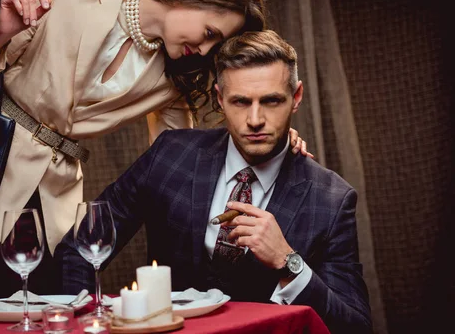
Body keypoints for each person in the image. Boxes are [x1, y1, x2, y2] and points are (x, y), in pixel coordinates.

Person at [0, 0, 310, 317]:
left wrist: (269, 142)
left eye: (216, 42)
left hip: (54, 199)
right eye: (209, 33)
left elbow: (181, 156)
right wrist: (2, 32)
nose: (205, 50)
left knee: (48, 320)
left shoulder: (174, 80)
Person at [55, 30, 372, 333]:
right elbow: (79, 248)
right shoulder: (171, 154)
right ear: (220, 98)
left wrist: (288, 261)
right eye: (240, 102)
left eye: (272, 101)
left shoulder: (332, 199)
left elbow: (354, 325)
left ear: (296, 96)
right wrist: (83, 323)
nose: (255, 120)